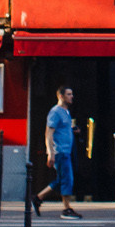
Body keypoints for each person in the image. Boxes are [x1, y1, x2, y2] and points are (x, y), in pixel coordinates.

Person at [33, 85, 81, 218]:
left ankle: (38, 198)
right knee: (68, 179)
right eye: (69, 94)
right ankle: (66, 209)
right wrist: (51, 152)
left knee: (62, 179)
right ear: (61, 96)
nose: (72, 96)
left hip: (66, 150)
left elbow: (62, 130)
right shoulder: (55, 112)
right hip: (60, 151)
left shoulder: (66, 112)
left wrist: (73, 130)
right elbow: (49, 133)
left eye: (72, 94)